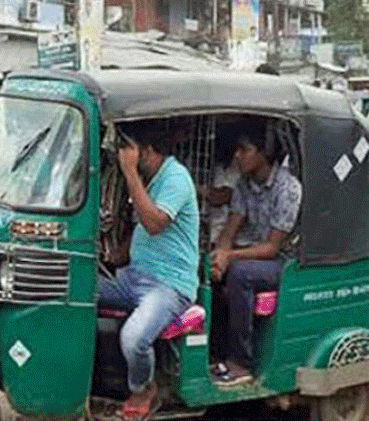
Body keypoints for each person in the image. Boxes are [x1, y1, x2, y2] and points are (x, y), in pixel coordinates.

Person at [97, 121, 199, 420]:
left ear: (149, 152)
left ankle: (144, 388)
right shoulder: (153, 179)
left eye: (131, 152)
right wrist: (117, 254)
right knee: (76, 289)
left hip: (168, 286)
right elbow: (142, 223)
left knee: (134, 338)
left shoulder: (176, 178)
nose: (125, 158)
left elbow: (154, 223)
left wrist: (129, 172)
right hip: (134, 277)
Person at [210, 122, 301, 388]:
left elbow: (272, 248)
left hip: (281, 263)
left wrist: (231, 257)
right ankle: (216, 352)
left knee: (239, 273)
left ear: (264, 153)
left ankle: (241, 363)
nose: (237, 155)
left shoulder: (288, 188)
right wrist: (220, 253)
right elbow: (231, 226)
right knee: (211, 266)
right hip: (251, 254)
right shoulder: (244, 184)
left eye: (245, 150)